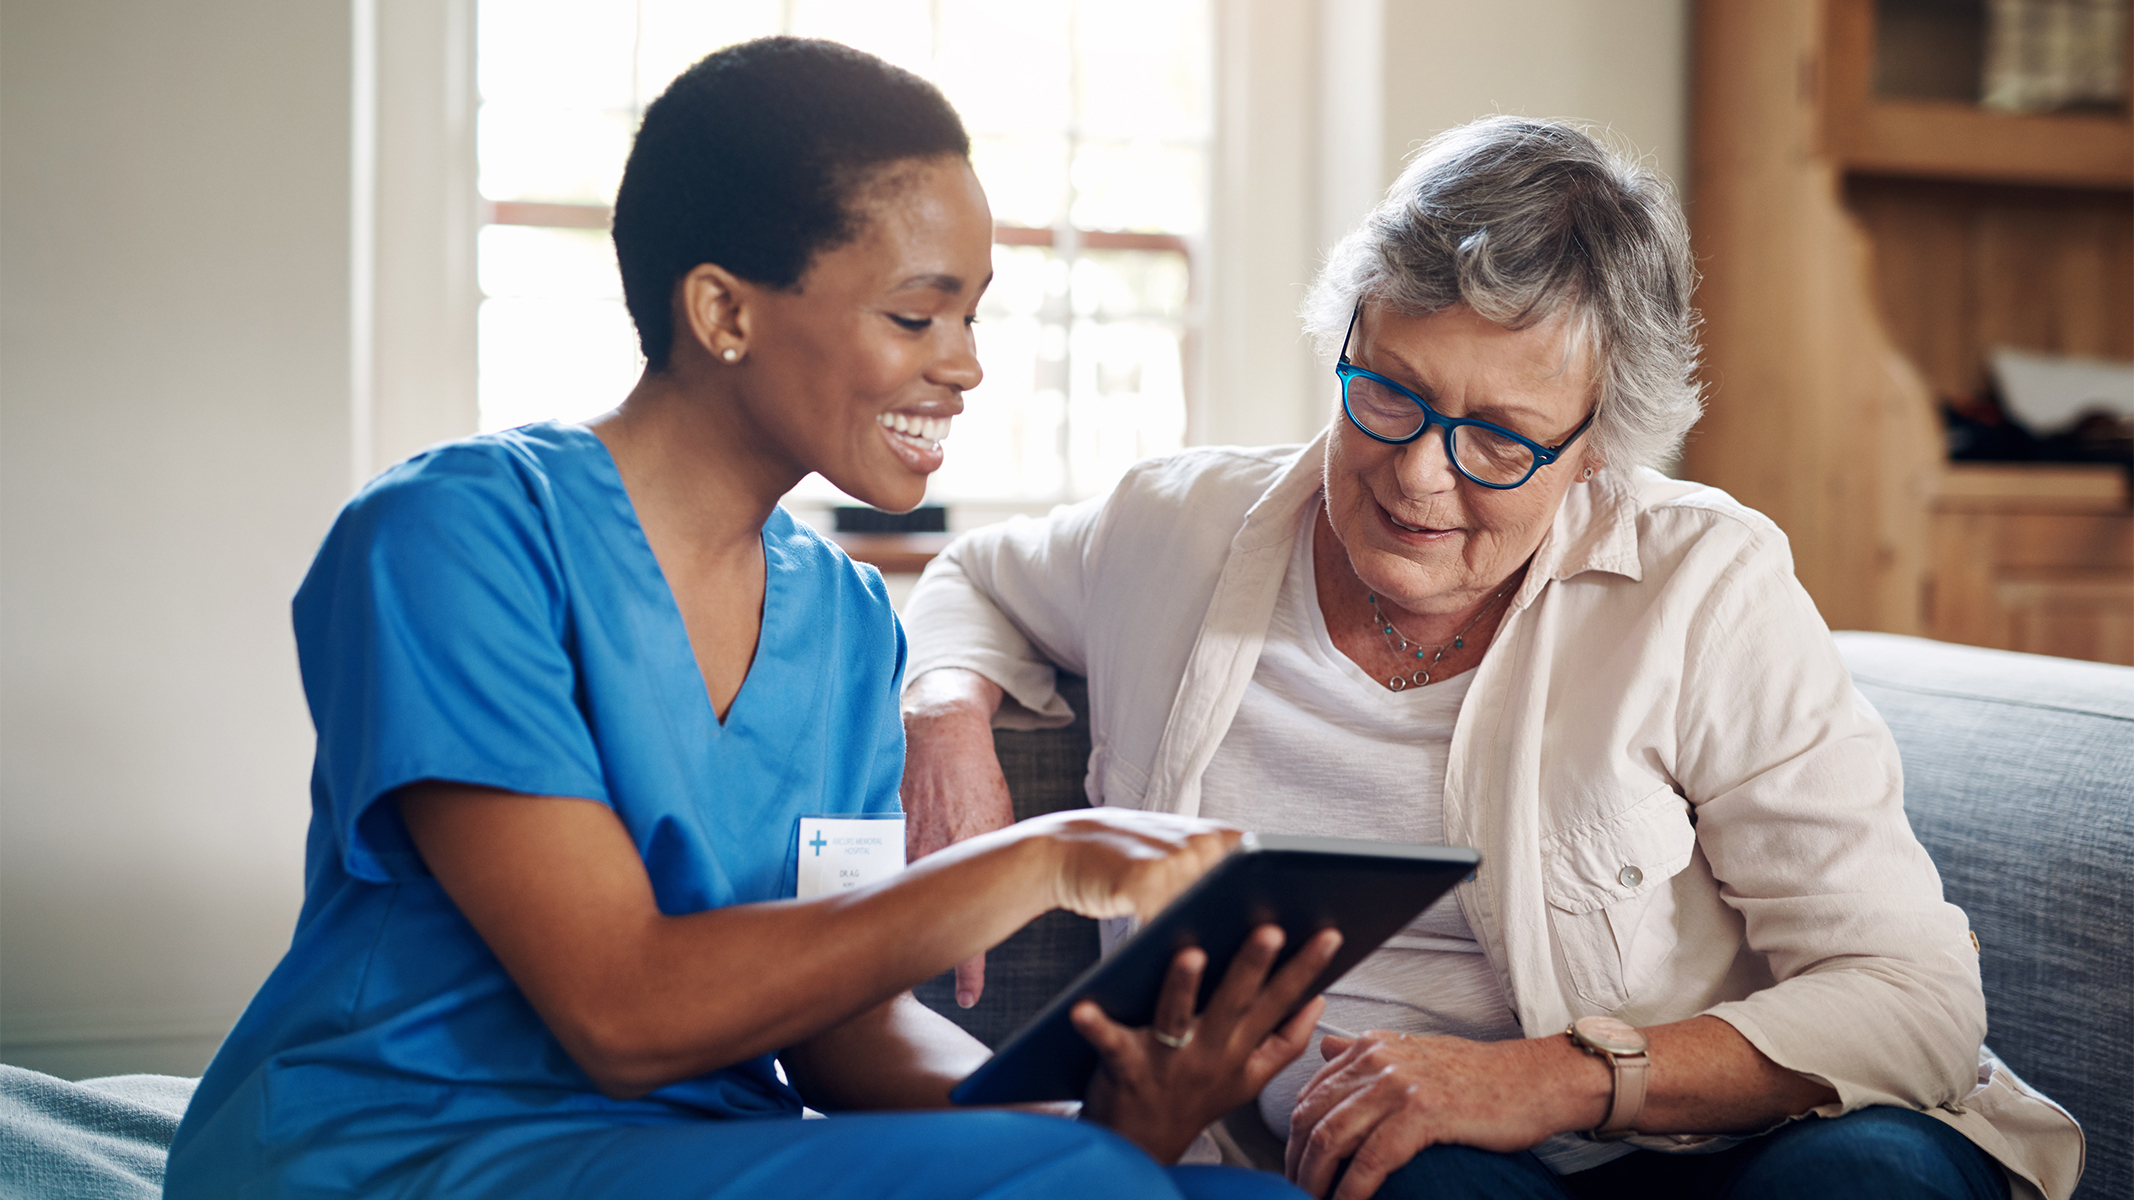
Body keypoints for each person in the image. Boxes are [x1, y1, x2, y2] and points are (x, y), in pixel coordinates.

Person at [163, 38, 1338, 1200]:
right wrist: (1037, 863)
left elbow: (851, 1034)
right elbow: (621, 1009)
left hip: (697, 1146)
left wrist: (1098, 1118)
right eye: (917, 316)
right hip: (403, 1147)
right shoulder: (450, 540)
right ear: (724, 310)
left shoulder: (838, 616)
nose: (967, 366)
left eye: (975, 317)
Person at [897, 117, 2083, 1200]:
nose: (1418, 475)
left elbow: (1913, 1002)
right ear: (1347, 340)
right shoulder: (1177, 525)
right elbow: (973, 580)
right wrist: (948, 720)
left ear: (1597, 453)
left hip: (1722, 1140)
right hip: (1408, 1155)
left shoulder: (1703, 583)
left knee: (1871, 1182)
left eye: (1500, 441)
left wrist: (1552, 1078)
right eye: (1388, 396)